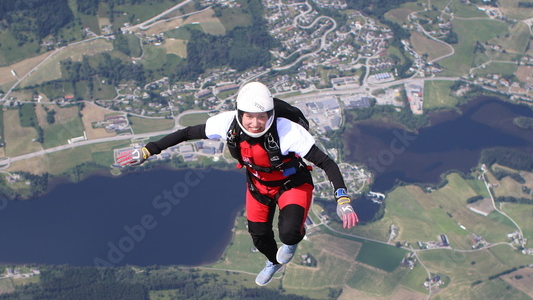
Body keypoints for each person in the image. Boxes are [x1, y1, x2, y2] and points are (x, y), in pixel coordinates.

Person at [117, 81, 358, 286]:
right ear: (239, 113)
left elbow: (326, 163)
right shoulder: (227, 125)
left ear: (270, 115)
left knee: (289, 231)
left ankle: (292, 241)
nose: (254, 123)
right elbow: (186, 133)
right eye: (249, 116)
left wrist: (343, 199)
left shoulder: (288, 132)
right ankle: (272, 262)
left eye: (261, 117)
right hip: (258, 186)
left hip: (292, 183)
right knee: (259, 235)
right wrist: (148, 150)